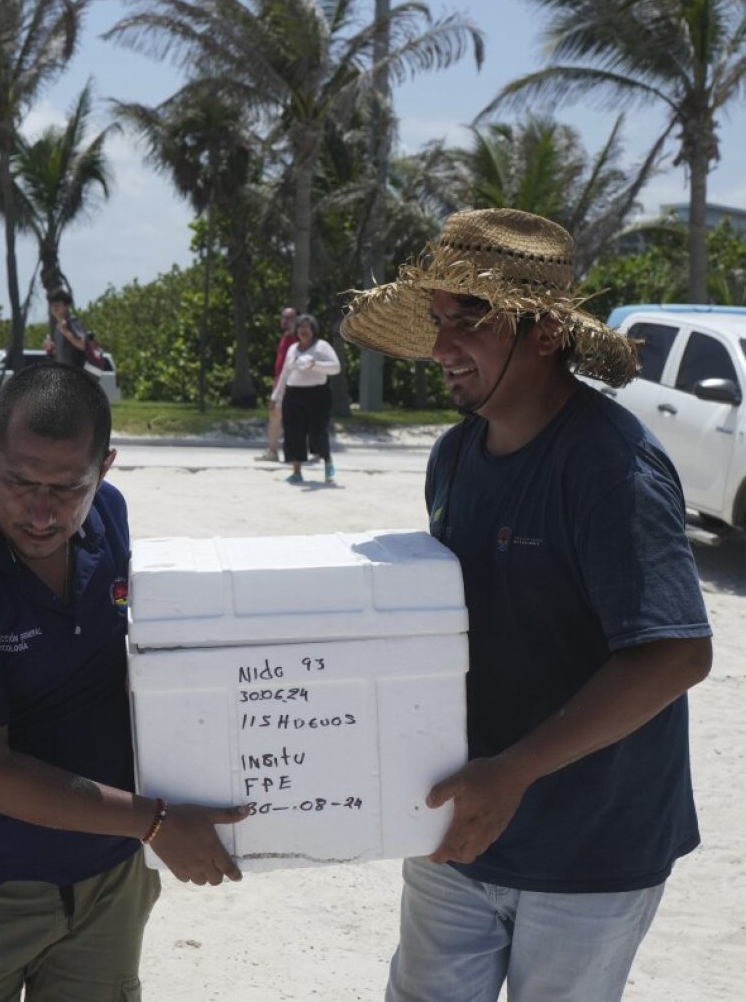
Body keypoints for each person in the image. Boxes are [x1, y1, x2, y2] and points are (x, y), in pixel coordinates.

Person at [340, 208, 713, 1002]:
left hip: (592, 845)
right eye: (438, 322)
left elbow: (677, 653)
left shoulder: (611, 466)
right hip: (462, 827)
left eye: (468, 322)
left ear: (545, 333)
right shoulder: (452, 458)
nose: (442, 349)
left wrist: (513, 772)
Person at [0, 362, 248, 1001]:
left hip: (106, 885)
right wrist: (159, 824)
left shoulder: (108, 517)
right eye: (20, 481)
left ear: (104, 468)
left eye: (67, 487)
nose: (41, 512)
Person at [272, 314, 341, 484]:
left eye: (307, 327)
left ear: (313, 330)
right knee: (294, 433)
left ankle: (328, 463)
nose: (304, 330)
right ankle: (297, 471)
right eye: (300, 327)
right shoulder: (292, 349)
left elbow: (336, 367)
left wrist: (314, 364)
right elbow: (285, 374)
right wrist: (276, 396)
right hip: (293, 394)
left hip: (318, 395)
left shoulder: (322, 346)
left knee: (318, 433)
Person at [256, 306, 298, 462]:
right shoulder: (285, 338)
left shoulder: (296, 340)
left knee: (285, 418)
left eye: (290, 318)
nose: (286, 321)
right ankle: (273, 451)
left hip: (288, 387)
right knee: (275, 417)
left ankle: (285, 452)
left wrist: (280, 390)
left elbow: (290, 368)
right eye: (284, 318)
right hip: (280, 385)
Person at [42, 287, 88, 370]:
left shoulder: (72, 322)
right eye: (52, 305)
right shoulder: (58, 327)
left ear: (66, 306)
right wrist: (50, 348)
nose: (54, 308)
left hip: (76, 374)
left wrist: (66, 331)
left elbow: (82, 345)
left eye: (58, 305)